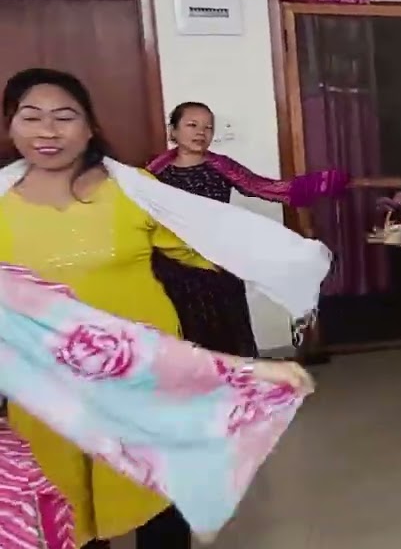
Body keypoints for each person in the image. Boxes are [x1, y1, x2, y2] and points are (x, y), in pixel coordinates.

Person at [0, 68, 329, 548]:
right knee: (69, 502)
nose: (48, 131)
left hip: (142, 379)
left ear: (89, 127)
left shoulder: (132, 188)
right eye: (31, 118)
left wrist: (288, 263)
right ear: (11, 126)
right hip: (47, 386)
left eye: (64, 117)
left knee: (158, 502)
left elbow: (208, 241)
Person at [147, 101, 348, 357]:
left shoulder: (222, 167)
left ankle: (237, 386)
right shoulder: (152, 175)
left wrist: (321, 184)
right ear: (172, 131)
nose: (201, 132)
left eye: (208, 127)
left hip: (219, 261)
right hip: (174, 265)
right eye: (192, 125)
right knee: (186, 331)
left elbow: (265, 188)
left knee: (228, 328)